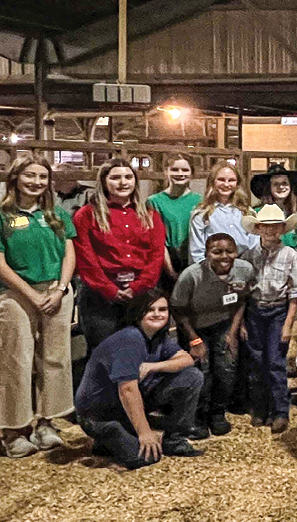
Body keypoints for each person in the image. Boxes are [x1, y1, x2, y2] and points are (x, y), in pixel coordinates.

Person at [73, 291, 204, 469]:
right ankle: (106, 437)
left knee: (192, 376)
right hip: (100, 413)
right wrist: (145, 433)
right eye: (150, 310)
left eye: (163, 309)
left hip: (126, 402)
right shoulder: (130, 338)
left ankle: (174, 440)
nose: (157, 314)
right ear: (138, 313)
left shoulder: (157, 337)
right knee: (145, 458)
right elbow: (126, 389)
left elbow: (187, 359)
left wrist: (152, 366)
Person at [0, 156, 77, 456]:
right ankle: (13, 428)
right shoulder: (4, 215)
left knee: (56, 358)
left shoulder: (56, 214)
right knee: (15, 360)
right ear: (16, 178)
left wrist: (60, 289)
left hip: (56, 292)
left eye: (42, 177)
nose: (36, 182)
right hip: (16, 294)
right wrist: (30, 295)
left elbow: (69, 253)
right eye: (30, 176)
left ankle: (48, 421)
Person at [74, 158, 166, 352]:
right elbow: (86, 258)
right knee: (104, 352)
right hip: (100, 297)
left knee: (142, 350)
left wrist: (137, 287)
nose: (123, 182)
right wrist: (109, 289)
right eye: (115, 177)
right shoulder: (87, 215)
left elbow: (156, 255)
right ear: (104, 182)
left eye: (128, 177)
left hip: (141, 293)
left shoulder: (149, 215)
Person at [171, 233, 255, 439]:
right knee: (202, 371)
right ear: (207, 253)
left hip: (224, 323)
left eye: (229, 251)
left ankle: (217, 414)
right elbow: (177, 309)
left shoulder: (244, 270)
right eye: (217, 252)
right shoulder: (191, 276)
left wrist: (233, 333)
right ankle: (198, 417)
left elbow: (242, 300)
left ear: (236, 252)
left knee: (226, 369)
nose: (224, 256)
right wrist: (194, 339)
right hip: (195, 327)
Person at [238, 205, 297, 434]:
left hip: (277, 311)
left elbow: (294, 293)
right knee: (256, 360)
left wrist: (288, 324)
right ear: (258, 228)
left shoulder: (291, 255)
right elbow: (243, 291)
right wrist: (243, 321)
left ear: (282, 229)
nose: (271, 231)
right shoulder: (249, 256)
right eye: (266, 226)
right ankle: (260, 408)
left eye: (275, 226)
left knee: (275, 361)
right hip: (255, 310)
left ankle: (280, 410)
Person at [188, 161, 258, 264]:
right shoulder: (202, 214)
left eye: (231, 180)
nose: (226, 184)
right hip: (212, 269)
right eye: (221, 180)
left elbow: (254, 246)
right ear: (212, 182)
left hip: (243, 267)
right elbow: (197, 253)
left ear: (237, 183)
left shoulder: (247, 212)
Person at [148, 155, 201, 282]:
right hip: (166, 260)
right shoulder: (154, 201)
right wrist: (171, 271)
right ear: (166, 171)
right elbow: (156, 239)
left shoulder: (200, 200)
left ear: (192, 173)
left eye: (185, 170)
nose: (180, 173)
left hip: (194, 258)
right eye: (174, 169)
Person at [247, 163, 297, 249]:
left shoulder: (292, 213)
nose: (281, 187)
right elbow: (254, 245)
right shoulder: (258, 213)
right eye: (276, 184)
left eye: (284, 183)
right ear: (269, 187)